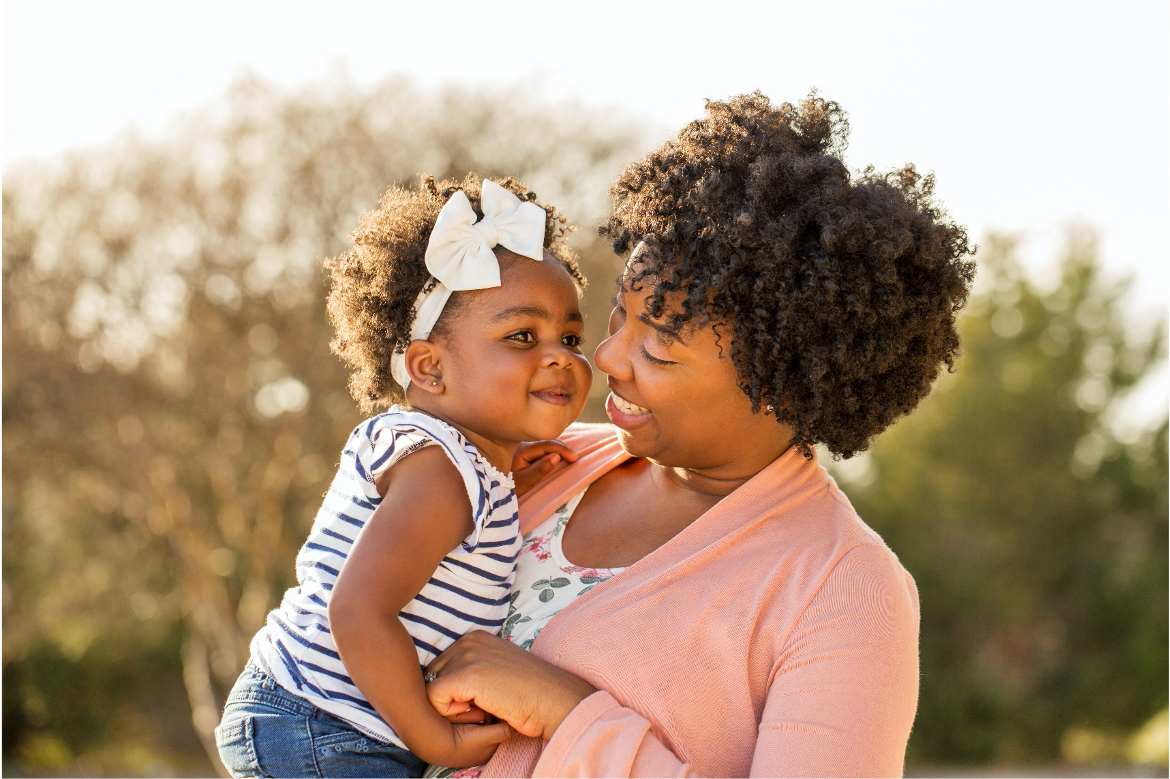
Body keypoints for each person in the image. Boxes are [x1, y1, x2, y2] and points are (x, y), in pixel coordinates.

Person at [421, 93, 976, 779]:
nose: (611, 357)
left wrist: (569, 714)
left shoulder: (844, 588)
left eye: (659, 350)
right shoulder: (542, 462)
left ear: (781, 384)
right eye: (620, 315)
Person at [214, 175, 593, 778]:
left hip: (328, 722)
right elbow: (359, 610)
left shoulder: (462, 465)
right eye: (522, 335)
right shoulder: (441, 472)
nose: (560, 355)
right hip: (323, 723)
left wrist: (503, 468)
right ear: (429, 368)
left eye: (571, 337)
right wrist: (433, 741)